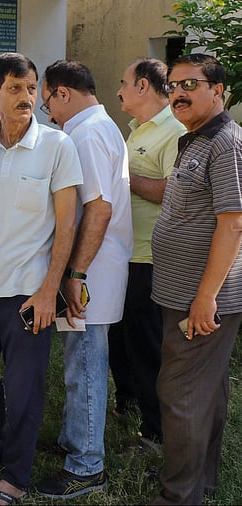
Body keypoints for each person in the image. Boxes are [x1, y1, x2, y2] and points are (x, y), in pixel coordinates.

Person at [0, 53, 82, 505]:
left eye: (31, 88)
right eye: (15, 88)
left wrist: (51, 288)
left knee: (25, 389)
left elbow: (68, 223)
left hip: (29, 293)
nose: (26, 97)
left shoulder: (57, 146)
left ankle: (14, 479)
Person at [35, 59, 132, 499]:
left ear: (62, 93)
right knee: (80, 363)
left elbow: (98, 208)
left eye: (46, 104)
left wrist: (74, 273)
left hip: (90, 272)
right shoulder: (97, 126)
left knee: (86, 365)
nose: (47, 115)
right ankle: (78, 440)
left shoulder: (88, 132)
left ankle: (88, 466)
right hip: (92, 268)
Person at [151, 53, 242, 505]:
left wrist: (206, 298)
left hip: (201, 300)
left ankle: (177, 497)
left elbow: (233, 223)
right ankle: (198, 484)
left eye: (190, 84)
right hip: (184, 294)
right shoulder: (194, 139)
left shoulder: (225, 141)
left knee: (180, 392)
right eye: (173, 85)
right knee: (203, 392)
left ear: (218, 91)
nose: (178, 93)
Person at [108, 58, 185, 442]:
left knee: (147, 344)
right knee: (120, 339)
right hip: (126, 254)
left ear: (142, 86)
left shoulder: (174, 131)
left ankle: (156, 429)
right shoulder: (135, 132)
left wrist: (124, 178)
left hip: (151, 259)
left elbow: (171, 192)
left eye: (123, 82)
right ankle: (129, 400)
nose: (118, 90)